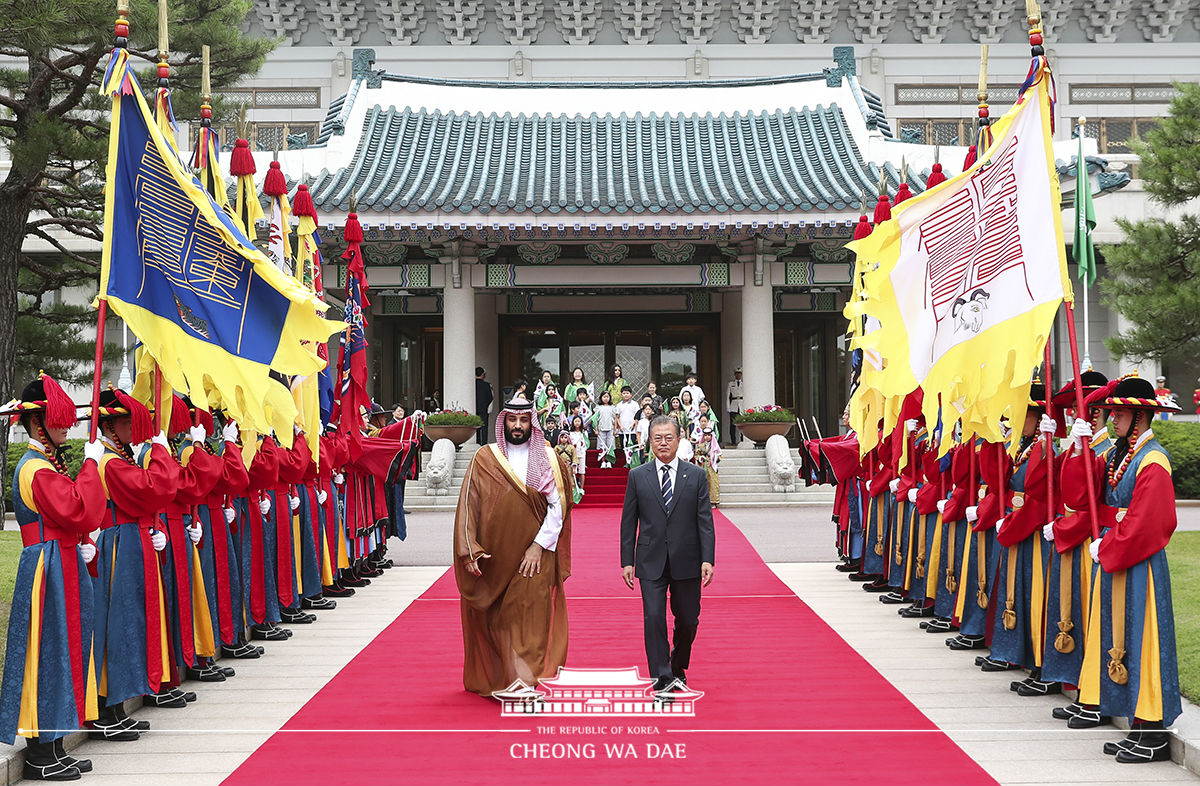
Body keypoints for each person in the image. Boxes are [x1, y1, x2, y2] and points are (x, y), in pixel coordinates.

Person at [1060, 375, 1182, 761]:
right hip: (1115, 554)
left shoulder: (1153, 459)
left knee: (1144, 642)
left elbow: (1152, 521)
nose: (1112, 419)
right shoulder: (1116, 455)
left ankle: (1155, 731)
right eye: (1111, 412)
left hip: (1139, 562)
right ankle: (1137, 725)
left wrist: (1108, 545)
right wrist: (1077, 449)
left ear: (1139, 416)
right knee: (1121, 640)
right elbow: (1081, 495)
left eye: (1119, 413)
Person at [0, 374, 107, 779]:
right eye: (56, 418)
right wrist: (92, 463)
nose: (66, 425)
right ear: (36, 422)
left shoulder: (46, 464)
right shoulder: (35, 468)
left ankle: (56, 744)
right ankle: (41, 754)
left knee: (65, 652)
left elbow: (73, 516)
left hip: (61, 560)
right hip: (46, 567)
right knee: (46, 654)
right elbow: (75, 508)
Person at [453, 395, 574, 694]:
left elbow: (558, 507)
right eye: (512, 419)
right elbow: (470, 506)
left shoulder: (548, 458)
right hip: (495, 557)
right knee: (500, 620)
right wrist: (470, 550)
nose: (518, 426)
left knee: (531, 614)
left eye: (523, 420)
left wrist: (539, 546)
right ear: (503, 421)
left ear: (531, 423)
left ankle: (525, 682)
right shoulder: (485, 456)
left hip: (535, 554)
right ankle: (506, 678)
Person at [620, 416, 715, 692]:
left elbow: (704, 521)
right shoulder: (638, 476)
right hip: (650, 561)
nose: (663, 443)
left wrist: (707, 558)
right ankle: (661, 678)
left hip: (688, 558)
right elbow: (629, 521)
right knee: (653, 618)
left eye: (668, 437)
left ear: (679, 439)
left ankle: (677, 664)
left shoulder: (695, 475)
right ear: (650, 441)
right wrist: (627, 560)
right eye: (657, 438)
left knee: (688, 620)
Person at [694, 415, 722, 507]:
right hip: (703, 466)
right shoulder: (701, 446)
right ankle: (703, 502)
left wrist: (714, 458)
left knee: (713, 483)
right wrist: (701, 458)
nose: (706, 437)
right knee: (703, 483)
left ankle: (714, 501)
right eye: (705, 435)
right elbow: (696, 455)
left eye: (708, 435)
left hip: (711, 467)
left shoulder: (715, 446)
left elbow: (720, 456)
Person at [615, 386, 640, 467]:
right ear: (621, 394)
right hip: (623, 430)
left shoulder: (635, 404)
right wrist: (620, 426)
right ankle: (627, 462)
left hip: (632, 430)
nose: (625, 395)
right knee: (624, 447)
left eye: (627, 393)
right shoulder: (619, 405)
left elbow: (637, 416)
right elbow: (617, 417)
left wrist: (633, 424)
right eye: (624, 393)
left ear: (631, 394)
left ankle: (632, 462)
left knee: (632, 446)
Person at [594, 390, 617, 468]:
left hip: (611, 428)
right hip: (601, 429)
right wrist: (596, 429)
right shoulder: (598, 408)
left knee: (610, 446)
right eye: (604, 397)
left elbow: (616, 419)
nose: (606, 398)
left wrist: (615, 429)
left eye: (607, 397)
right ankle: (603, 461)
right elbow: (595, 420)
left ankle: (609, 461)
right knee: (602, 445)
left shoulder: (613, 407)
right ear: (601, 398)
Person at [568, 415, 588, 489]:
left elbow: (587, 443)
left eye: (578, 421)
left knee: (582, 471)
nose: (577, 423)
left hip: (582, 453)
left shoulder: (584, 432)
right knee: (573, 471)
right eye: (575, 421)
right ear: (573, 422)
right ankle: (574, 488)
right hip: (573, 454)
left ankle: (582, 488)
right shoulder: (570, 433)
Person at [475, 367, 494, 445]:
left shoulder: (472, 385)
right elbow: (490, 397)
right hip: (484, 409)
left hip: (474, 409)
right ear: (483, 374)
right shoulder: (486, 385)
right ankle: (484, 444)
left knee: (476, 427)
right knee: (484, 427)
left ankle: (477, 442)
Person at [726, 367, 744, 445]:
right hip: (733, 405)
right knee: (732, 425)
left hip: (742, 405)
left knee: (743, 424)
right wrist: (728, 407)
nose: (738, 375)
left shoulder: (744, 384)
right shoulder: (731, 384)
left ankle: (743, 440)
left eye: (740, 373)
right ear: (734, 374)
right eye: (737, 373)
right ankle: (733, 441)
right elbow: (727, 396)